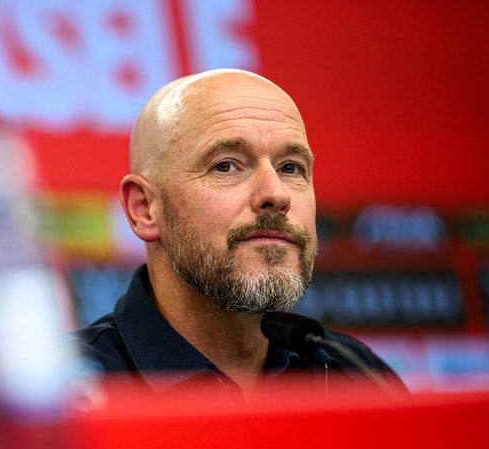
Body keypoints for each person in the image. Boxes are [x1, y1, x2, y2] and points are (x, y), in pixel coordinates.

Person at [72, 69, 405, 399]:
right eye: (226, 165)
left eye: (290, 167)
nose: (276, 195)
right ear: (145, 208)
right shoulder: (66, 395)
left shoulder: (360, 377)